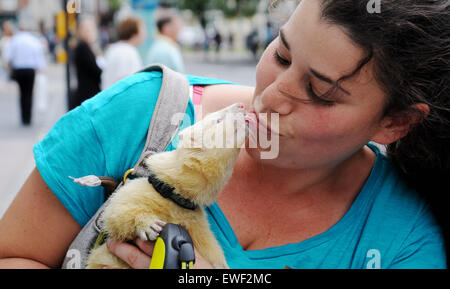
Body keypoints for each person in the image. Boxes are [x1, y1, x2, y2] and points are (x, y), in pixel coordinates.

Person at [0, 0, 448, 269]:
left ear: (397, 122)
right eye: (282, 52)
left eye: (318, 92)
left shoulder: (404, 238)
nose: (271, 96)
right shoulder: (142, 115)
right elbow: (14, 254)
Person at [4, 21, 46, 126]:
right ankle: (28, 117)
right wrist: (41, 68)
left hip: (19, 70)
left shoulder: (15, 40)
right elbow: (39, 56)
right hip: (30, 70)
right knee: (29, 93)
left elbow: (8, 56)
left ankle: (23, 117)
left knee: (22, 93)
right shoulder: (33, 40)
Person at [101, 17, 146, 90]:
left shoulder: (115, 49)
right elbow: (126, 84)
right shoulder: (128, 52)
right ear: (134, 33)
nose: (144, 34)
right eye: (142, 30)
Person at [71, 18, 102, 110]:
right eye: (88, 30)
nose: (91, 32)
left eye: (92, 29)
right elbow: (95, 70)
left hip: (87, 92)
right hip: (87, 93)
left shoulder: (86, 47)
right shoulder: (83, 47)